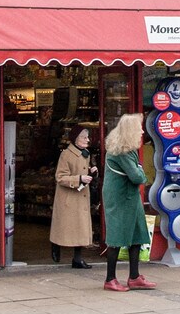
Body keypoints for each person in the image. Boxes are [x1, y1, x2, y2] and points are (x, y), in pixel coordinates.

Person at [101, 112, 155, 290]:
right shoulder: (121, 152)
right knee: (116, 238)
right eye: (139, 129)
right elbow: (137, 176)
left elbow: (138, 175)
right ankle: (110, 279)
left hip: (130, 198)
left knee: (137, 235)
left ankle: (134, 276)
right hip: (120, 199)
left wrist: (140, 174)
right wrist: (141, 175)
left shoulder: (128, 151)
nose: (142, 132)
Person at [50, 125, 96, 267]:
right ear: (76, 139)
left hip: (81, 195)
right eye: (84, 137)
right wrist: (79, 179)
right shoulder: (66, 155)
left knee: (80, 229)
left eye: (87, 137)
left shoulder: (86, 153)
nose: (87, 140)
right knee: (65, 228)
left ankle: (77, 259)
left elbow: (83, 169)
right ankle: (55, 244)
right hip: (69, 198)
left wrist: (92, 172)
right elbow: (60, 177)